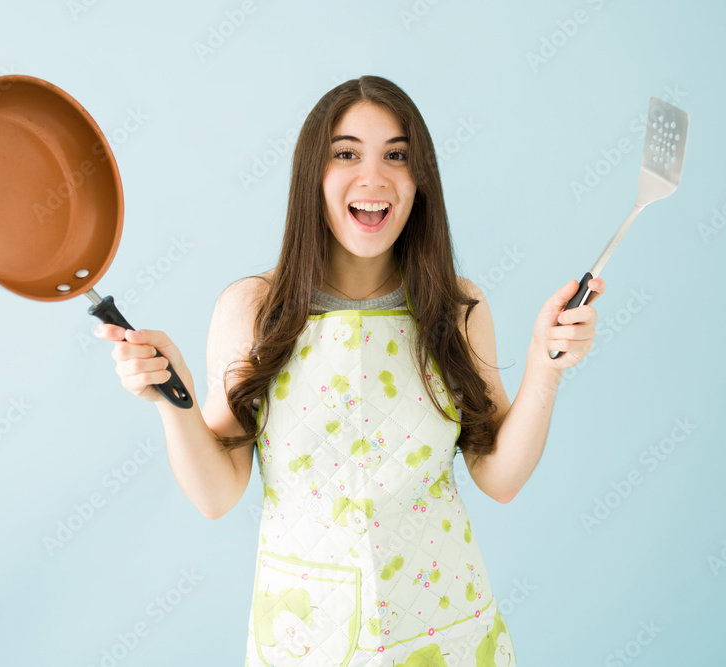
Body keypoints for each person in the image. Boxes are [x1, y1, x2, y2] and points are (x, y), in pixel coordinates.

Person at [94, 75, 606, 666]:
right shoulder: (252, 311)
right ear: (313, 176)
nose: (373, 177)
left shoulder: (457, 307)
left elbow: (501, 478)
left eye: (397, 155)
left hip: (445, 634)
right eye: (345, 154)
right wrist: (170, 400)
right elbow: (216, 493)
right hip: (306, 640)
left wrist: (546, 368)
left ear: (420, 183)